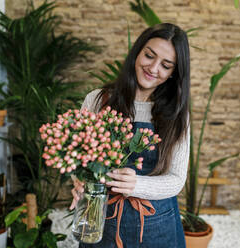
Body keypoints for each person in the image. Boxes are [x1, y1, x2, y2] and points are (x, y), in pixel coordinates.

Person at [70, 23, 190, 248]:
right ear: (137, 52)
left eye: (165, 65)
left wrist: (137, 185)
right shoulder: (97, 100)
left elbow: (177, 178)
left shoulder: (176, 114)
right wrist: (80, 181)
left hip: (157, 224)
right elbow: (78, 158)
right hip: (102, 220)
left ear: (174, 73)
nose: (153, 68)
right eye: (149, 55)